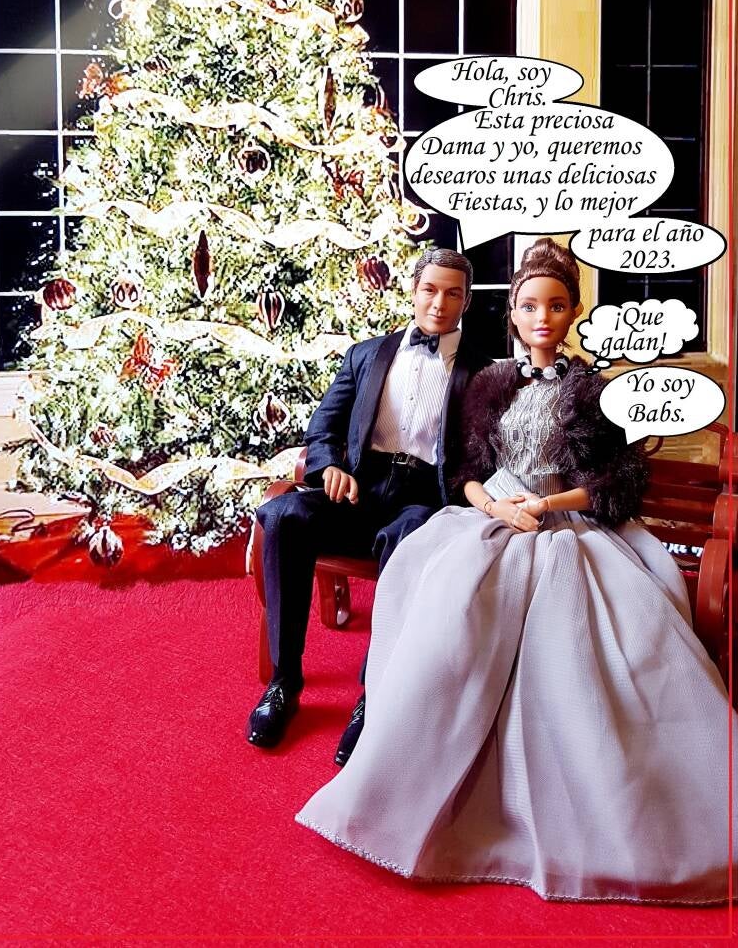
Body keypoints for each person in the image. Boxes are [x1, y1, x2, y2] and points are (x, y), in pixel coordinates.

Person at [296, 237, 736, 903]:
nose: (541, 318)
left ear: (573, 312)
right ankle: (395, 746)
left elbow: (615, 482)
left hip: (567, 530)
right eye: (529, 306)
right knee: (445, 608)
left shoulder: (590, 389)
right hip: (492, 521)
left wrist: (546, 503)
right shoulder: (491, 382)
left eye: (555, 306)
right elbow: (467, 470)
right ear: (512, 313)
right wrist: (493, 504)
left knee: (592, 644)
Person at [246, 247, 492, 755]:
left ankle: (372, 694)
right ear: (413, 291)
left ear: (466, 301)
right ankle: (285, 682)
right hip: (359, 488)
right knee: (287, 516)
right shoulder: (365, 355)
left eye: (453, 294)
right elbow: (324, 427)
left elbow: (482, 456)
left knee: (411, 537)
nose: (439, 303)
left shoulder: (482, 372)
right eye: (430, 290)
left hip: (424, 498)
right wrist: (328, 467)